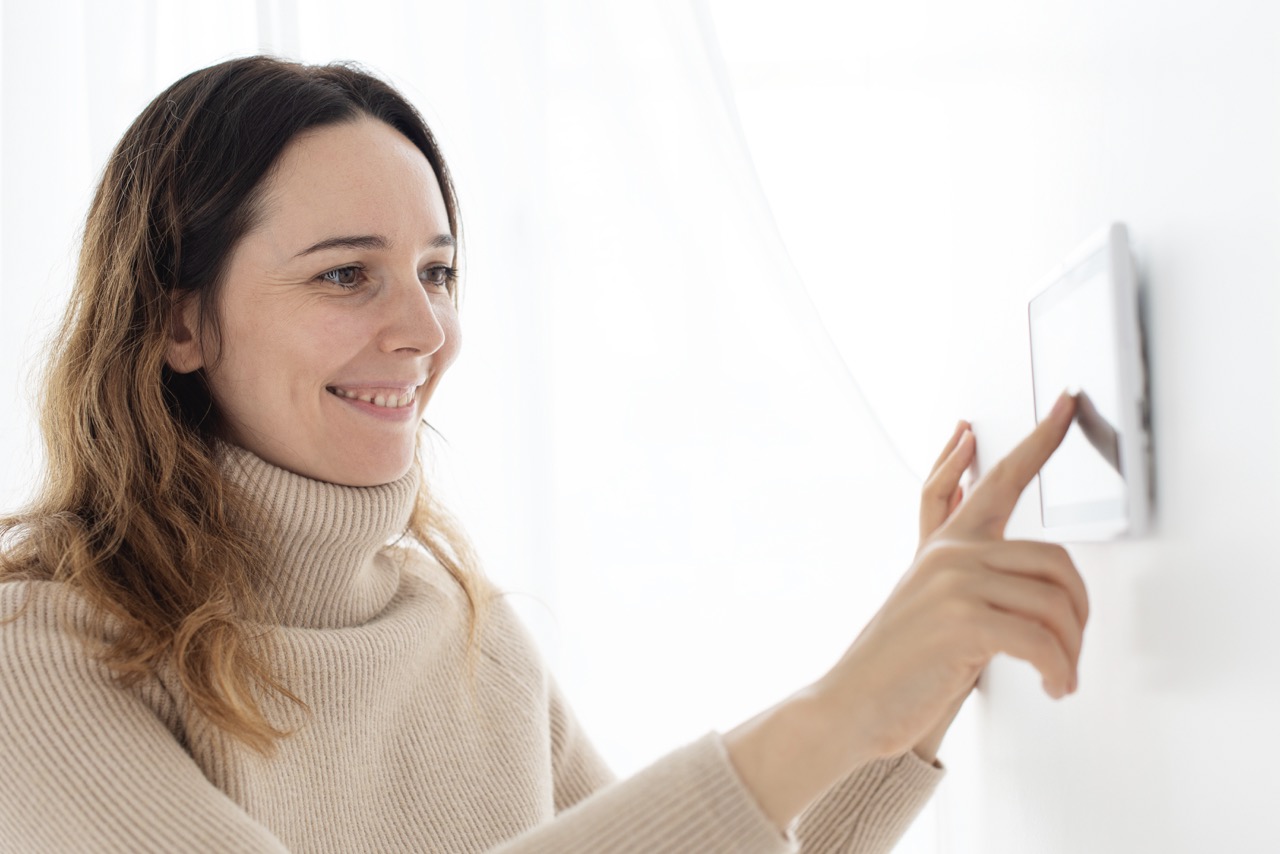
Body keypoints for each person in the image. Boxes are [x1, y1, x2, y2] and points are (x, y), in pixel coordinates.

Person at [0, 56, 1087, 852]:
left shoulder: (468, 633)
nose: (424, 332)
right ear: (179, 322)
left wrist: (911, 701)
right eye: (346, 274)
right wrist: (833, 710)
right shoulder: (37, 652)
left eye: (435, 271)